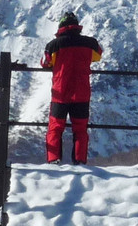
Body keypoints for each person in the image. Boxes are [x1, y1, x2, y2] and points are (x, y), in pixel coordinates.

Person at [40, 11, 103, 164]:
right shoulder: (90, 43)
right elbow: (98, 55)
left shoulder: (53, 45)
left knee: (55, 128)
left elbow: (44, 62)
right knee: (80, 129)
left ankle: (54, 160)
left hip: (60, 93)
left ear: (61, 27)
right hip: (81, 93)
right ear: (77, 26)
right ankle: (80, 162)